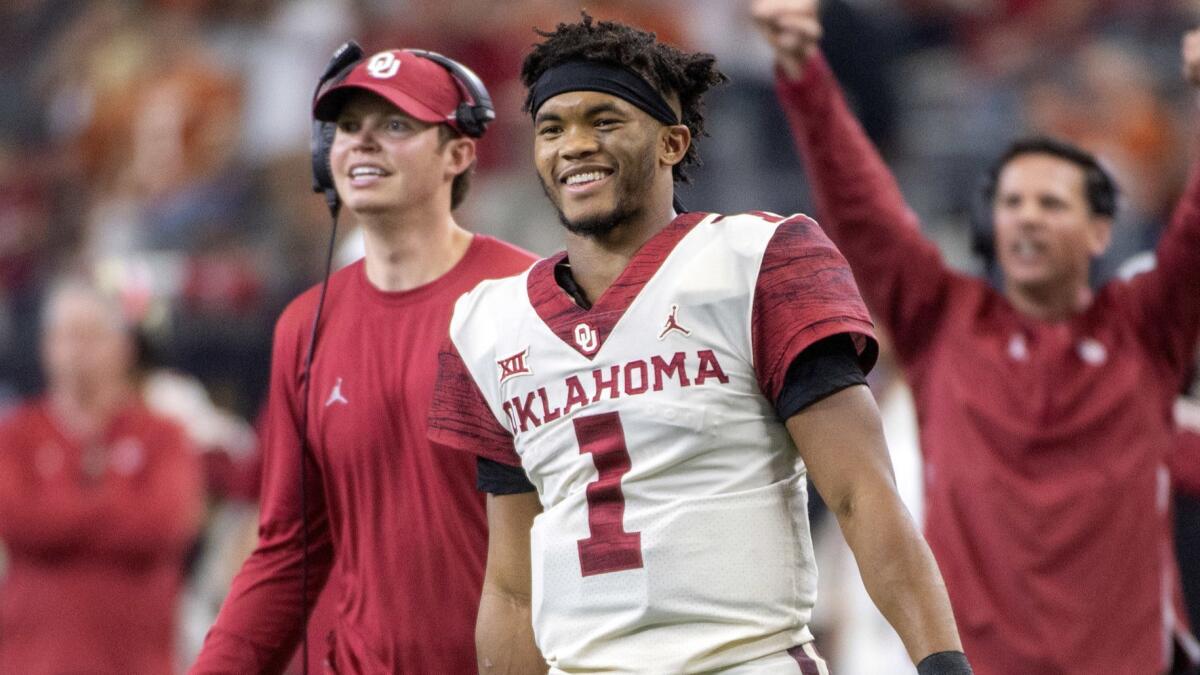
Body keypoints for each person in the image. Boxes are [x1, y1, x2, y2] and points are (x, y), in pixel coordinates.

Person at [428, 14, 970, 675]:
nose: (574, 144)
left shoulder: (758, 260)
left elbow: (863, 494)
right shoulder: (491, 324)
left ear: (672, 143)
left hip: (743, 660)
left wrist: (942, 662)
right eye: (553, 127)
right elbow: (512, 589)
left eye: (604, 120)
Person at [756, 1, 1200, 672]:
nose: (1025, 219)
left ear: (1100, 232)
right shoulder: (943, 321)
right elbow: (863, 207)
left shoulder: (1145, 327)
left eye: (1051, 204)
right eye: (1011, 203)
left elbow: (1195, 232)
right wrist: (803, 72)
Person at [190, 47, 535, 673]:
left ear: (459, 153)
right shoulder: (305, 324)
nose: (363, 144)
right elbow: (288, 553)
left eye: (396, 125)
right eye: (349, 127)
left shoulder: (528, 295)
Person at [0, 277, 205, 675]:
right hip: (31, 661)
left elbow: (166, 524)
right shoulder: (16, 435)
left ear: (123, 346)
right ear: (46, 345)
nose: (78, 350)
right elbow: (13, 518)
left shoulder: (164, 436)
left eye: (91, 335)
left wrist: (55, 516)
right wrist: (117, 507)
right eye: (67, 335)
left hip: (135, 662)